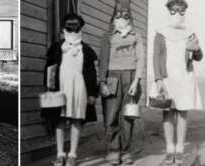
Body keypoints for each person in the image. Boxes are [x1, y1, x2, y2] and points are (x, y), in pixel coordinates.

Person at [43, 14, 98, 166]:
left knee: (76, 120)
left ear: (80, 28)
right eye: (69, 26)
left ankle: (72, 154)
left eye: (76, 26)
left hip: (79, 88)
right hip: (60, 88)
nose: (73, 29)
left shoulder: (86, 50)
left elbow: (91, 73)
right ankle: (60, 154)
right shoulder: (56, 48)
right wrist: (48, 89)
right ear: (63, 28)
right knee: (58, 120)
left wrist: (93, 93)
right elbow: (48, 70)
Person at [152, 0, 203, 164]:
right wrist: (159, 79)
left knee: (182, 113)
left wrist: (197, 50)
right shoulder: (161, 33)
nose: (177, 15)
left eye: (181, 11)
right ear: (168, 12)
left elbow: (199, 57)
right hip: (167, 79)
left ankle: (180, 148)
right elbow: (156, 57)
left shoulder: (190, 33)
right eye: (174, 11)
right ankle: (169, 148)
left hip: (184, 78)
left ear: (185, 13)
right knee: (167, 112)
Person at [98, 0, 145, 165]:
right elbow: (103, 61)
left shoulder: (136, 36)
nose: (121, 19)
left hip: (130, 77)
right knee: (111, 116)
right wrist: (102, 82)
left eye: (125, 16)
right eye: (117, 16)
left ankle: (125, 151)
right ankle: (113, 151)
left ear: (130, 18)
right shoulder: (107, 36)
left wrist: (136, 81)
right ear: (113, 18)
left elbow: (140, 59)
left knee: (127, 115)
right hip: (111, 76)